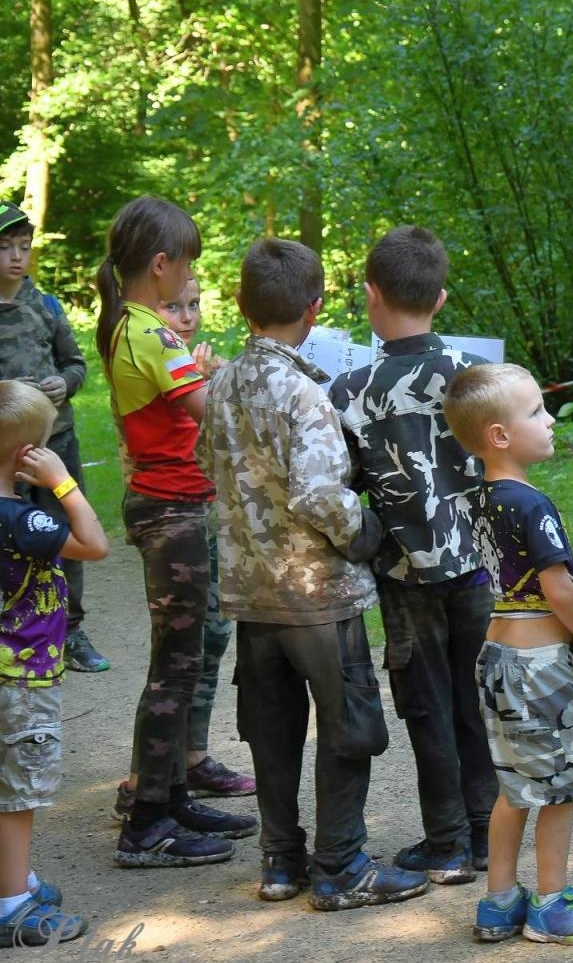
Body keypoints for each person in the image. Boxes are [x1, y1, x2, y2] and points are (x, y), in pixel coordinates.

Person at [197, 237, 421, 911]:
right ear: (316, 309)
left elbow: (211, 468)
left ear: (241, 305)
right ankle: (341, 866)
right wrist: (372, 534)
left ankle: (279, 859)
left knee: (272, 730)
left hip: (251, 592)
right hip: (318, 595)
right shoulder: (305, 394)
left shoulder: (222, 383)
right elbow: (320, 494)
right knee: (348, 722)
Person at [331, 225, 497, 883]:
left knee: (425, 702)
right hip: (478, 564)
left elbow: (340, 484)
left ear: (371, 294)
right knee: (475, 697)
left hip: (405, 573)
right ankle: (486, 833)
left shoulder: (349, 390)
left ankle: (448, 841)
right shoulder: (478, 376)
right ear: (442, 297)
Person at [95, 196, 254, 868]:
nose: (188, 276)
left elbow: (188, 403)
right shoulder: (150, 334)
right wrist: (249, 378)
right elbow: (205, 409)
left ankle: (172, 794)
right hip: (171, 513)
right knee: (174, 669)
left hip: (178, 503)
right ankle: (147, 824)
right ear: (162, 265)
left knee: (184, 662)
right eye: (185, 263)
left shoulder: (137, 328)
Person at [444, 362, 573, 946]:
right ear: (500, 435)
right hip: (538, 665)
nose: (549, 423)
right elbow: (560, 587)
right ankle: (551, 904)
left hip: (495, 657)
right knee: (560, 788)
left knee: (514, 786)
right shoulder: (531, 503)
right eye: (536, 413)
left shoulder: (481, 498)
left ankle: (498, 901)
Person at [0, 380, 109, 948]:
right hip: (22, 675)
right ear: (26, 456)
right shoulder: (22, 520)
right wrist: (61, 482)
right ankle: (12, 906)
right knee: (19, 794)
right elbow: (93, 544)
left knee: (3, 784)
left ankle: (19, 882)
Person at [0, 201, 109, 673]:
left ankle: (71, 630)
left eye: (24, 246)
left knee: (65, 531)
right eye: (4, 247)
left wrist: (65, 383)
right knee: (4, 540)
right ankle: (11, 628)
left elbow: (75, 365)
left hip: (55, 442)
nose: (16, 256)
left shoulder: (46, 305)